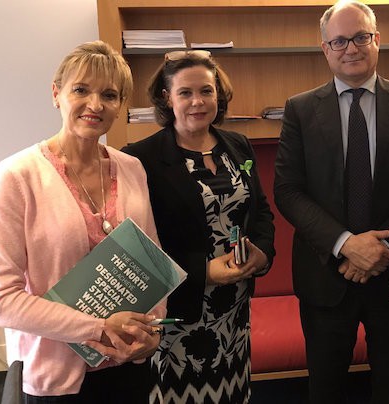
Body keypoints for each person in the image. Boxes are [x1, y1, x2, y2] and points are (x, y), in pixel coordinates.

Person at [273, 1, 389, 402]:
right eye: (340, 40)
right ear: (325, 48)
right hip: (325, 274)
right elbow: (288, 191)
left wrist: (379, 248)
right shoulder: (299, 109)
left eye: (361, 37)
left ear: (377, 40)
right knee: (325, 388)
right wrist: (346, 243)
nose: (352, 48)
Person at [0, 41, 164, 403]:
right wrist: (98, 328)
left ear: (120, 106)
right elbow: (0, 299)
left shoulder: (132, 169)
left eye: (109, 95)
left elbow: (152, 266)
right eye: (81, 89)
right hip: (56, 379)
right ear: (56, 94)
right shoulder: (16, 176)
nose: (95, 105)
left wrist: (151, 334)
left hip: (129, 369)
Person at [122, 50, 275, 403]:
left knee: (233, 392)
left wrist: (262, 254)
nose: (197, 101)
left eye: (206, 91)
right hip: (179, 311)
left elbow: (261, 210)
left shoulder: (236, 145)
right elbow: (137, 243)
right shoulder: (139, 158)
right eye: (185, 92)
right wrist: (203, 271)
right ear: (166, 97)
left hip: (234, 309)